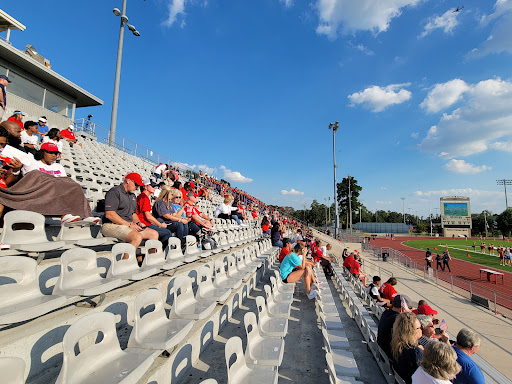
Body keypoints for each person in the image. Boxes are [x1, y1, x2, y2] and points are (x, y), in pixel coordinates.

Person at [102, 173, 159, 261]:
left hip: (126, 224)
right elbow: (110, 214)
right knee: (137, 237)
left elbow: (133, 214)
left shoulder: (132, 195)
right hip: (111, 225)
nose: (137, 188)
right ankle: (125, 263)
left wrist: (138, 222)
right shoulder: (114, 192)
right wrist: (129, 225)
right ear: (128, 181)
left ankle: (151, 260)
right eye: (136, 185)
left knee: (154, 234)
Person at [136, 180, 172, 249]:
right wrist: (160, 225)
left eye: (155, 186)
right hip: (144, 224)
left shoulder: (143, 196)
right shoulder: (144, 197)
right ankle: (160, 251)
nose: (155, 187)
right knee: (167, 233)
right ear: (145, 187)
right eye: (152, 186)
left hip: (145, 223)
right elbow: (148, 216)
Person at [377, 294, 416, 359]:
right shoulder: (398, 320)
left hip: (382, 348)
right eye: (410, 308)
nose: (411, 310)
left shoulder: (386, 312)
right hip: (390, 353)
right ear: (404, 307)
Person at [391, 312, 424, 384]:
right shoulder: (415, 353)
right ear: (411, 331)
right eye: (419, 328)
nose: (421, 330)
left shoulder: (397, 344)